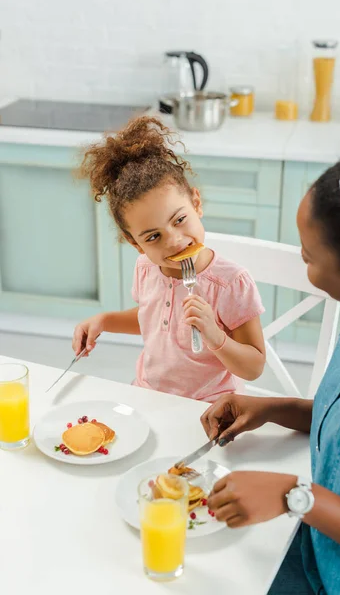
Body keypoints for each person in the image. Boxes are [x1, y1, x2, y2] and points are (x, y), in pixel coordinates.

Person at [201, 123, 340, 593]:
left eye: (309, 256)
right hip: (306, 542)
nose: (301, 261)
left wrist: (296, 496)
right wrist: (270, 409)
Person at [72, 116, 265, 402]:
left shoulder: (230, 283)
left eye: (179, 219)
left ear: (196, 204)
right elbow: (152, 320)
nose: (174, 241)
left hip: (210, 406)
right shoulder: (146, 268)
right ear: (135, 244)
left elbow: (254, 367)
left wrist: (215, 335)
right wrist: (105, 320)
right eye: (152, 237)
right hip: (149, 394)